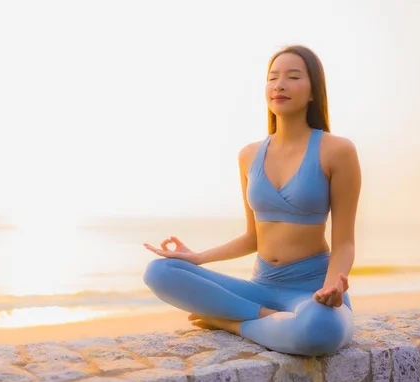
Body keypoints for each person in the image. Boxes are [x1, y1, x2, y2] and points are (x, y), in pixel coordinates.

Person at [142, 45, 362, 357]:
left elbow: (344, 243)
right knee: (159, 272)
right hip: (259, 287)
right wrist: (198, 257)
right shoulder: (249, 155)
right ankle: (268, 319)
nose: (279, 84)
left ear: (313, 91)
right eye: (273, 78)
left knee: (319, 330)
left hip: (311, 290)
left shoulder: (337, 151)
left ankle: (231, 323)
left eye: (293, 76)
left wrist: (331, 288)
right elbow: (252, 237)